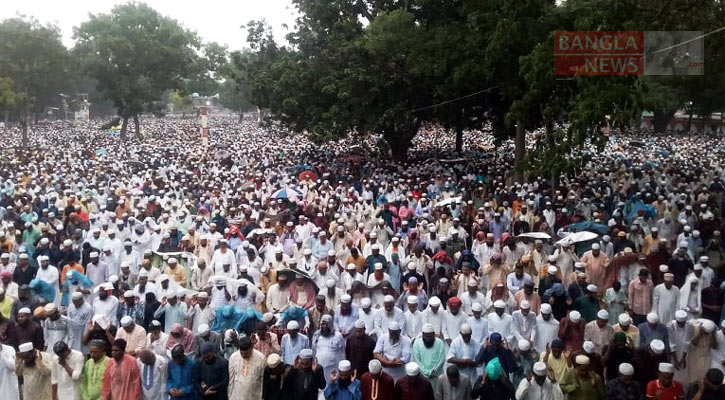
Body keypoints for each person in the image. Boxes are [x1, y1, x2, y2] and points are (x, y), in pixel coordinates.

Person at [228, 336, 266, 400]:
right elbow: (231, 379)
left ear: (251, 348)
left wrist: (262, 397)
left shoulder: (261, 358)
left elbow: (263, 380)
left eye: (246, 353)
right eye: (241, 353)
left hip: (254, 396)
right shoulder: (233, 357)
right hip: (237, 396)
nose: (243, 355)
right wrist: (230, 396)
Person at [312, 314, 346, 383]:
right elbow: (313, 350)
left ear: (331, 324)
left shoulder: (338, 336)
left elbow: (342, 353)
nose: (324, 326)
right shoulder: (316, 335)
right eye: (323, 324)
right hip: (319, 368)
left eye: (327, 324)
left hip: (333, 368)